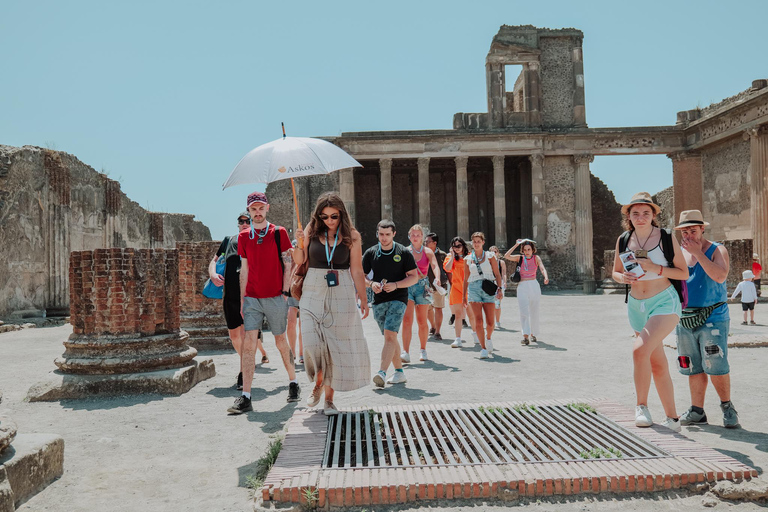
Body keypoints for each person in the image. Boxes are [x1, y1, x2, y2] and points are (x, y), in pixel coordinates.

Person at [611, 192, 687, 432]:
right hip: (636, 305)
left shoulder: (665, 237)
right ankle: (673, 419)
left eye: (646, 213)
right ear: (629, 217)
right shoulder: (624, 239)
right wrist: (623, 276)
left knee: (639, 350)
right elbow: (614, 272)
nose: (640, 217)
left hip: (664, 302)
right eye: (635, 213)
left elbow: (683, 273)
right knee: (657, 363)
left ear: (654, 215)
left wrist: (657, 268)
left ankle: (641, 406)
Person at [293, 192, 371, 415]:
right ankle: (318, 381)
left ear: (341, 215)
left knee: (335, 347)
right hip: (313, 288)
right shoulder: (310, 230)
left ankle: (328, 400)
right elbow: (300, 260)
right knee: (311, 342)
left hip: (342, 289)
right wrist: (299, 243)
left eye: (334, 216)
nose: (329, 221)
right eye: (324, 216)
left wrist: (363, 298)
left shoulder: (352, 236)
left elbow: (356, 269)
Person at [227, 192, 299, 415]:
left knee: (280, 341)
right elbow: (244, 269)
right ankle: (246, 396)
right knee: (249, 344)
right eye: (253, 209)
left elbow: (288, 262)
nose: (257, 213)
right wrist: (242, 299)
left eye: (260, 209)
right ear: (248, 211)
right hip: (252, 298)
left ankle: (293, 381)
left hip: (276, 296)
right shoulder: (243, 237)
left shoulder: (279, 232)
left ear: (267, 208)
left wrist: (285, 291)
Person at [675, 209, 740, 428]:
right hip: (684, 318)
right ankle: (697, 411)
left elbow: (720, 276)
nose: (689, 235)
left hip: (713, 317)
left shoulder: (716, 250)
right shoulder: (679, 253)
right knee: (692, 366)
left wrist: (699, 254)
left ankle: (727, 408)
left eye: (693, 230)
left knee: (717, 364)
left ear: (702, 228)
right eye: (685, 231)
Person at [208, 212, 267, 391]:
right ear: (238, 224)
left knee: (246, 335)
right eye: (241, 222)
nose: (244, 224)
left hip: (251, 295)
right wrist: (212, 274)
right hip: (230, 295)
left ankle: (244, 371)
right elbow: (214, 260)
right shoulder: (229, 240)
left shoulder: (258, 240)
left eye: (247, 221)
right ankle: (248, 363)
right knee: (234, 336)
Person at [363, 220, 419, 387]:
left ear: (394, 234)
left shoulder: (403, 252)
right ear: (377, 234)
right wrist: (371, 284)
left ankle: (381, 371)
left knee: (389, 335)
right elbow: (361, 276)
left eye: (388, 234)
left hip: (399, 298)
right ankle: (400, 373)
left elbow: (414, 277)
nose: (384, 238)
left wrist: (396, 285)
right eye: (381, 234)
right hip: (378, 300)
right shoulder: (370, 253)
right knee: (391, 337)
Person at [400, 225, 441, 362]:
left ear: (422, 237)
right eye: (413, 235)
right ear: (409, 236)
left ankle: (423, 349)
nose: (415, 237)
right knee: (407, 320)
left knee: (422, 320)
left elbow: (434, 265)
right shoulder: (405, 251)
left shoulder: (428, 251)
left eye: (418, 235)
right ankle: (405, 352)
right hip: (408, 285)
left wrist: (437, 277)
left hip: (423, 286)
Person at [464, 232, 504, 359]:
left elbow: (497, 274)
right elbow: (465, 279)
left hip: (488, 288)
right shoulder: (468, 259)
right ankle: (483, 348)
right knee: (479, 321)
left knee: (491, 322)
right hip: (474, 289)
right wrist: (463, 296)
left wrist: (500, 289)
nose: (476, 244)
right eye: (474, 242)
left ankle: (488, 338)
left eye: (478, 241)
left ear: (483, 242)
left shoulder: (490, 256)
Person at [504, 239, 549, 345]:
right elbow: (506, 255)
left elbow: (542, 268)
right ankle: (525, 336)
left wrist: (545, 277)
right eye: (525, 250)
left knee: (534, 310)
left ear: (532, 250)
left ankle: (534, 333)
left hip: (533, 285)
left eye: (529, 249)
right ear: (523, 251)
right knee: (523, 311)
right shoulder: (520, 258)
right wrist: (516, 244)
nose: (527, 251)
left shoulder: (536, 258)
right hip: (522, 285)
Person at [444, 237, 472, 348]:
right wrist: (451, 256)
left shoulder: (470, 256)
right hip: (456, 287)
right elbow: (447, 269)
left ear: (463, 246)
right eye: (454, 246)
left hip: (469, 287)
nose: (457, 248)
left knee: (472, 315)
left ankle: (475, 334)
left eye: (459, 246)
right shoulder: (450, 257)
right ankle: (458, 338)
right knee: (458, 314)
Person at [425, 233, 449, 341]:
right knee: (428, 309)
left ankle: (438, 332)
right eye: (425, 241)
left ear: (435, 243)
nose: (425, 243)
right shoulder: (423, 253)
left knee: (438, 308)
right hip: (426, 286)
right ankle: (433, 326)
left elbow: (448, 271)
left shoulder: (443, 255)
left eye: (428, 241)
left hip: (439, 286)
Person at [286, 239, 303, 365]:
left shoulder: (306, 254)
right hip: (292, 289)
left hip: (304, 289)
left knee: (303, 324)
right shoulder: (288, 256)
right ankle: (292, 352)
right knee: (291, 322)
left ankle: (302, 353)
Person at [489, 246, 507, 329]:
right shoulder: (487, 262)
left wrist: (505, 282)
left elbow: (503, 273)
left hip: (498, 284)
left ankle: (497, 321)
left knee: (497, 304)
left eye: (495, 251)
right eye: (492, 251)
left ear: (498, 253)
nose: (494, 253)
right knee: (489, 304)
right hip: (489, 283)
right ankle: (490, 321)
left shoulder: (501, 262)